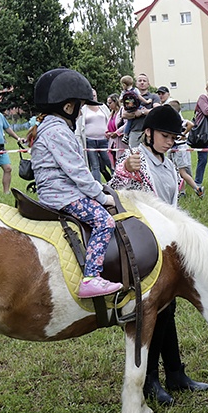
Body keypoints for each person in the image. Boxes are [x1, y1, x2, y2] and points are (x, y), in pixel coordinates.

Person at [109, 105, 208, 404]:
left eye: (173, 137)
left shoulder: (165, 162)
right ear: (149, 133)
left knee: (169, 310)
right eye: (165, 136)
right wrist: (127, 168)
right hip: (145, 245)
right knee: (154, 312)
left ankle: (175, 372)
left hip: (166, 241)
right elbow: (115, 186)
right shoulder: (136, 159)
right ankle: (151, 378)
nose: (170, 141)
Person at [26, 68, 122, 299]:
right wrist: (101, 197)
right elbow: (78, 172)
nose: (80, 113)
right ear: (68, 107)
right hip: (63, 195)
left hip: (59, 191)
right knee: (104, 221)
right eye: (80, 107)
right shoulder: (57, 131)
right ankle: (91, 278)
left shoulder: (49, 127)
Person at [167, 99, 203, 198]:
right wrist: (184, 133)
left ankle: (197, 188)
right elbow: (191, 124)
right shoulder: (179, 121)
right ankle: (181, 191)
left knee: (181, 172)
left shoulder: (176, 122)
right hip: (177, 148)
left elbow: (191, 124)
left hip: (179, 148)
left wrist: (183, 134)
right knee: (177, 171)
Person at [75, 88, 113, 182]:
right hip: (89, 141)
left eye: (94, 95)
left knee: (110, 163)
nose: (93, 97)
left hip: (104, 140)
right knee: (95, 165)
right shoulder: (83, 110)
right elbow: (79, 127)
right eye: (90, 96)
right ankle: (98, 186)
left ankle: (118, 182)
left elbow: (110, 120)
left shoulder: (103, 107)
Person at [120, 73, 161, 147]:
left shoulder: (153, 96)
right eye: (140, 81)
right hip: (135, 131)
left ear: (148, 84)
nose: (142, 82)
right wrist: (135, 114)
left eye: (144, 81)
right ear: (136, 84)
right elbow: (124, 115)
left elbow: (158, 111)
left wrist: (142, 112)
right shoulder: (129, 97)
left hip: (150, 131)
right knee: (135, 155)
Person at [105, 93, 125, 168]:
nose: (108, 105)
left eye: (110, 103)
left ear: (115, 102)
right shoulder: (111, 114)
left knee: (122, 164)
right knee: (115, 164)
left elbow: (126, 125)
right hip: (112, 144)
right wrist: (107, 133)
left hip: (121, 143)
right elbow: (108, 126)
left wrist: (117, 133)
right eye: (107, 103)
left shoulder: (122, 111)